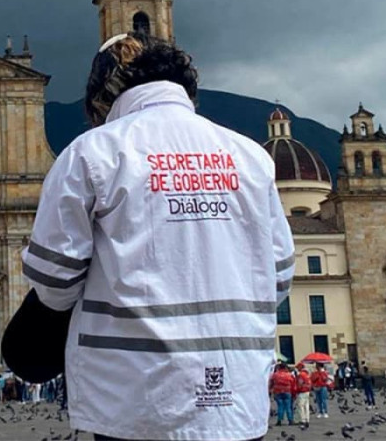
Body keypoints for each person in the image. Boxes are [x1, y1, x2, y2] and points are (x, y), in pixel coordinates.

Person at [16, 33, 294, 440]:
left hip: (136, 397)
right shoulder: (249, 155)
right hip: (236, 397)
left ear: (101, 98)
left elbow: (54, 282)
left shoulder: (93, 152)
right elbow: (280, 274)